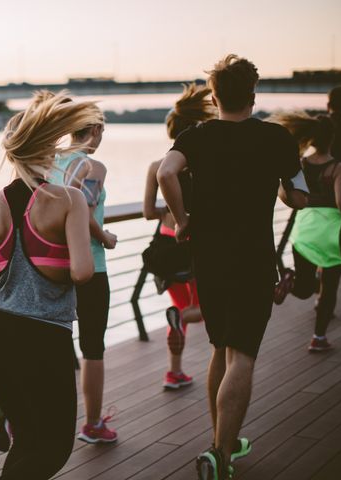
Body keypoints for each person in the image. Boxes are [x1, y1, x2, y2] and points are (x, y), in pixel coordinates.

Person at [157, 55, 308, 480]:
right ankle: (221, 455)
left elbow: (167, 173)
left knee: (220, 346)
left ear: (215, 96)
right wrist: (282, 191)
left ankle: (219, 442)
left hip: (208, 256)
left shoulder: (196, 135)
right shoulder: (276, 138)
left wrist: (182, 218)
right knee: (243, 352)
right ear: (252, 95)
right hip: (254, 256)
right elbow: (299, 196)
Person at [0, 91, 98, 479]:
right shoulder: (69, 199)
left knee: (28, 440)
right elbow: (82, 272)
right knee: (55, 445)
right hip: (45, 339)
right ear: (49, 151)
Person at [48, 108, 119, 443]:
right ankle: (92, 424)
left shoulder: (51, 162)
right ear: (94, 130)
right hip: (90, 265)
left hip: (51, 266)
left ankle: (27, 417)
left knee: (49, 344)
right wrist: (104, 237)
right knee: (92, 347)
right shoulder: (93, 167)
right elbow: (85, 209)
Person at [143, 83, 214, 390]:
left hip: (163, 244)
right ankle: (213, 362)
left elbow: (148, 212)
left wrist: (167, 213)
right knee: (207, 307)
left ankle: (174, 372)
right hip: (193, 244)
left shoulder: (157, 166)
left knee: (182, 309)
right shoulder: (202, 164)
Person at [270, 112, 341, 351]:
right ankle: (318, 338)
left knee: (306, 287)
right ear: (332, 139)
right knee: (328, 289)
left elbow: (286, 191)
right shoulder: (339, 168)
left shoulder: (302, 164)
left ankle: (289, 279)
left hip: (304, 228)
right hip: (328, 233)